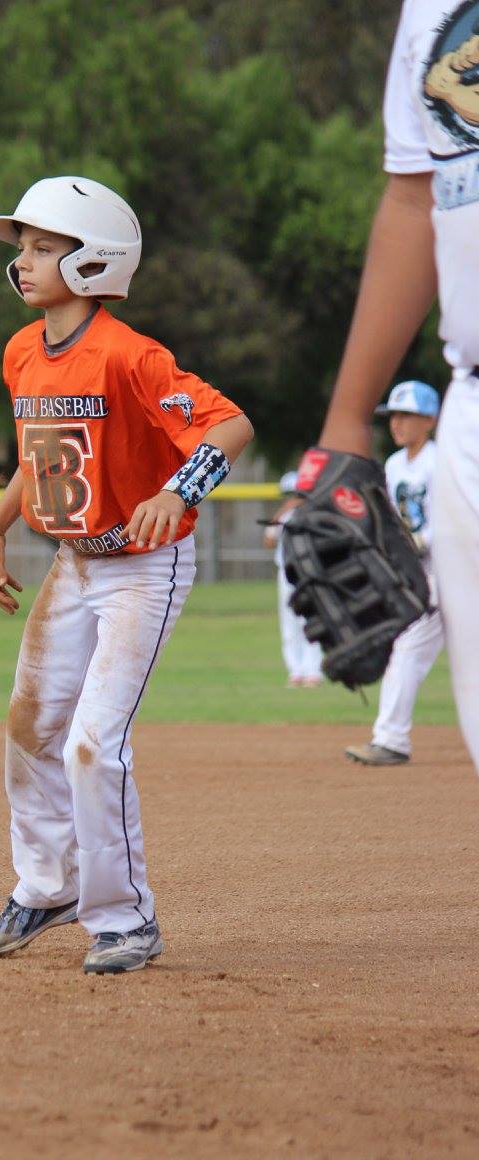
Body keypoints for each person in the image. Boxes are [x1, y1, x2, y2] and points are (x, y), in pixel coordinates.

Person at [0, 176, 253, 974]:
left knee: (94, 743)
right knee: (29, 731)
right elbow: (44, 458)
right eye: (21, 248)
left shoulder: (132, 355)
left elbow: (229, 424)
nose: (22, 262)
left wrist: (179, 488)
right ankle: (47, 884)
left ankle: (125, 919)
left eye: (41, 247)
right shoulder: (23, 351)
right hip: (72, 565)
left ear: (94, 261)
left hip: (142, 568)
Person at [318, 1, 479, 775]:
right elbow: (414, 198)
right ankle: (392, 735)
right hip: (472, 402)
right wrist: (347, 420)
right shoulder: (429, 6)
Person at [345, 380, 445, 765]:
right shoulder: (394, 464)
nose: (397, 423)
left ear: (431, 420)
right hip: (423, 577)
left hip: (454, 570)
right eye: (393, 415)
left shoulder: (442, 461)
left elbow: (456, 513)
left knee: (413, 649)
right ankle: (390, 740)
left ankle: (391, 740)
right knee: (408, 647)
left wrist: (422, 541)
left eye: (408, 415)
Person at [263, 470, 324, 688]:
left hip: (310, 573)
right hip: (287, 573)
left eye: (296, 493)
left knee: (311, 620)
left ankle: (313, 671)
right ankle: (296, 670)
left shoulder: (315, 514)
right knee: (289, 623)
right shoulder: (284, 515)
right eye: (289, 494)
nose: (292, 497)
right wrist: (282, 514)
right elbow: (269, 541)